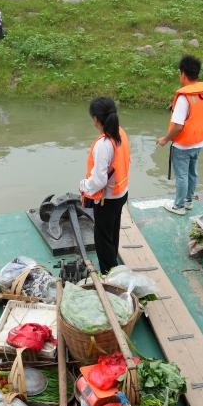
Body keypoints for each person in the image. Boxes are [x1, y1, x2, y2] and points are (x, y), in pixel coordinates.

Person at [157, 55, 203, 215]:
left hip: (182, 145)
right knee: (192, 173)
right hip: (198, 142)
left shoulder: (183, 98)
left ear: (183, 73)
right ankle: (189, 202)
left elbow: (177, 127)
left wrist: (164, 139)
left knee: (181, 176)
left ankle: (179, 206)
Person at [79, 97, 130, 274]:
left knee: (102, 240)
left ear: (95, 119)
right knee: (112, 233)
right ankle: (114, 266)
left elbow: (99, 181)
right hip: (121, 193)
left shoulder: (104, 144)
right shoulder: (121, 133)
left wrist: (84, 186)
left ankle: (110, 275)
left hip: (107, 199)